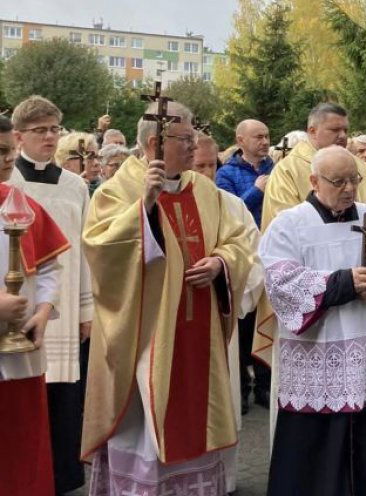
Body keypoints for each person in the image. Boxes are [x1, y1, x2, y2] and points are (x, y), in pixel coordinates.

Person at [81, 100, 256, 495]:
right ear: (157, 142)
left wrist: (220, 263)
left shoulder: (205, 191)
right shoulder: (117, 190)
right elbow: (100, 249)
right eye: (186, 139)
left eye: (194, 138)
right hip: (145, 334)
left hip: (198, 329)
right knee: (145, 423)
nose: (195, 147)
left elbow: (237, 242)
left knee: (194, 414)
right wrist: (144, 206)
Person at [260, 145, 366, 495]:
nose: (348, 188)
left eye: (354, 180)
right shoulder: (290, 224)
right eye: (338, 181)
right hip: (315, 358)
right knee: (313, 454)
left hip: (365, 358)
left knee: (365, 451)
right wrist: (341, 282)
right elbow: (279, 280)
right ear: (314, 181)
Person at [10, 96, 92, 494]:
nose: (49, 136)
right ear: (19, 135)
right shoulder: (10, 185)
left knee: (63, 394)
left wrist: (85, 307)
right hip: (19, 307)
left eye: (54, 129)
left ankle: (62, 475)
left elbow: (85, 247)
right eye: (39, 130)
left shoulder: (76, 185)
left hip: (64, 297)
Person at [0, 114, 69, 496]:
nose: (8, 159)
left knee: (23, 450)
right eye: (0, 152)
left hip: (21, 354)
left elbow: (48, 267)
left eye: (10, 150)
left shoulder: (19, 204)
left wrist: (42, 311)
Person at [192, 132, 264, 493]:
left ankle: (223, 479)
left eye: (211, 165)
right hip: (176, 324)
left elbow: (253, 259)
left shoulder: (231, 205)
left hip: (220, 317)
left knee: (221, 403)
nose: (205, 173)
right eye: (198, 165)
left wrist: (224, 271)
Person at [216, 119, 274, 413]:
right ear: (241, 140)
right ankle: (241, 389)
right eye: (258, 137)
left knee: (266, 320)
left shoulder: (276, 168)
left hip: (271, 252)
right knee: (243, 324)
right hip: (243, 256)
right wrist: (256, 190)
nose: (264, 142)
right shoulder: (226, 173)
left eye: (266, 137)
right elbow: (227, 211)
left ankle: (265, 385)